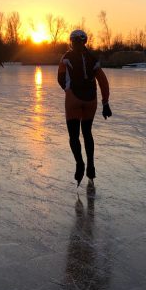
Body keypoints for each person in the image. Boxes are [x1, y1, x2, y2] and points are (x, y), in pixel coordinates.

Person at [57, 29, 111, 189]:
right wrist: (105, 102)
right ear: (85, 42)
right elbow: (102, 80)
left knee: (74, 135)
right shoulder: (93, 58)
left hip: (74, 98)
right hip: (91, 100)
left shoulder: (66, 57)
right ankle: (91, 167)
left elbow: (60, 77)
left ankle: (80, 163)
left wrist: (68, 89)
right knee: (87, 133)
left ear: (72, 42)